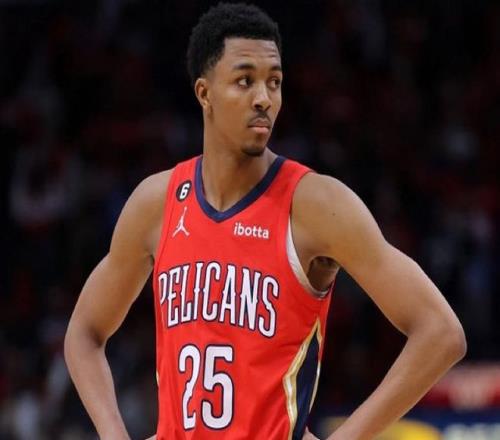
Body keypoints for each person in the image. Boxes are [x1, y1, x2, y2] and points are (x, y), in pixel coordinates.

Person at [64, 3, 466, 440]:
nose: (264, 98)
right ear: (204, 93)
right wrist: (113, 433)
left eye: (274, 81)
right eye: (245, 81)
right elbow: (84, 333)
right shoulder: (157, 203)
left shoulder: (315, 203)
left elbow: (440, 332)